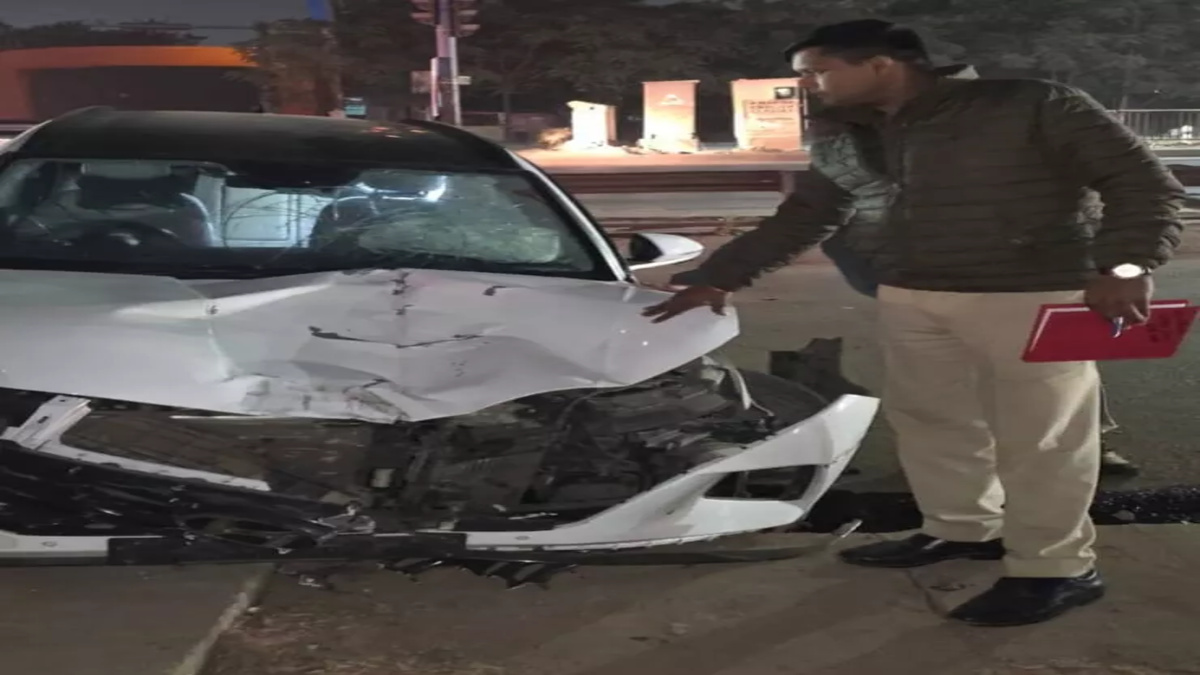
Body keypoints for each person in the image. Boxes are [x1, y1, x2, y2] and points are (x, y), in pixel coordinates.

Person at [644, 19, 1185, 627]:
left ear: (881, 64)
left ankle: (1056, 567)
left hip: (1030, 292)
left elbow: (1145, 185)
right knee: (932, 419)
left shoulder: (1029, 104)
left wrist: (1126, 265)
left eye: (818, 72)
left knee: (1043, 437)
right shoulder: (845, 133)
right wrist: (719, 277)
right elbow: (807, 214)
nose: (809, 86)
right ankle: (962, 528)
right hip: (911, 293)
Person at [823, 208, 1140, 479]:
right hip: (922, 277)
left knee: (1048, 386)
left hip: (1027, 273)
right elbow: (830, 212)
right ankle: (953, 478)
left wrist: (1124, 268)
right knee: (942, 392)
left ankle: (1076, 455)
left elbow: (1130, 190)